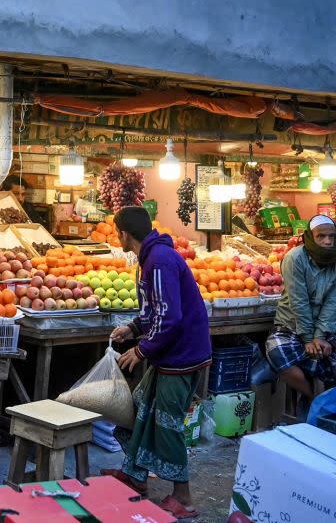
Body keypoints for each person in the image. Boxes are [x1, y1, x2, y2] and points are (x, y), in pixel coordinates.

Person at [101, 206, 211, 520]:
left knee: (167, 425)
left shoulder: (160, 261)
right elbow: (155, 311)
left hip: (182, 356)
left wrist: (141, 350)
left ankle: (184, 497)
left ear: (124, 234)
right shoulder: (152, 258)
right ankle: (134, 476)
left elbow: (171, 318)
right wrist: (134, 329)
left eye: (116, 231)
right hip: (170, 353)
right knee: (141, 409)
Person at [265, 214, 336, 400]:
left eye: (331, 236)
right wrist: (309, 338)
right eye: (321, 236)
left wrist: (320, 335)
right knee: (277, 354)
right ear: (309, 237)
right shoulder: (294, 258)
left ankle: (329, 393)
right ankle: (312, 397)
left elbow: (335, 300)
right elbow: (298, 301)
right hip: (291, 323)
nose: (327, 241)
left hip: (327, 325)